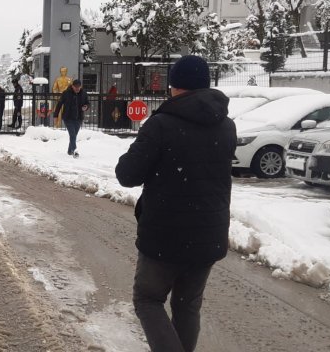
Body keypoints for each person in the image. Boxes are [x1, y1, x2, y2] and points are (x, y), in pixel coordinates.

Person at [114, 55, 236, 352]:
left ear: (175, 86)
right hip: (209, 231)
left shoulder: (161, 125)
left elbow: (127, 174)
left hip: (166, 235)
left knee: (148, 299)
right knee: (187, 306)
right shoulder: (226, 126)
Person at [52, 79, 89, 157]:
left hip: (79, 118)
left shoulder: (84, 94)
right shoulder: (66, 93)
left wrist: (86, 107)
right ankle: (75, 150)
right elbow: (59, 104)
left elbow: (87, 103)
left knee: (74, 135)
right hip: (68, 117)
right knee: (72, 134)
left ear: (81, 86)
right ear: (72, 86)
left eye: (79, 87)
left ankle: (69, 151)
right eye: (75, 87)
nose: (77, 89)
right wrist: (55, 115)